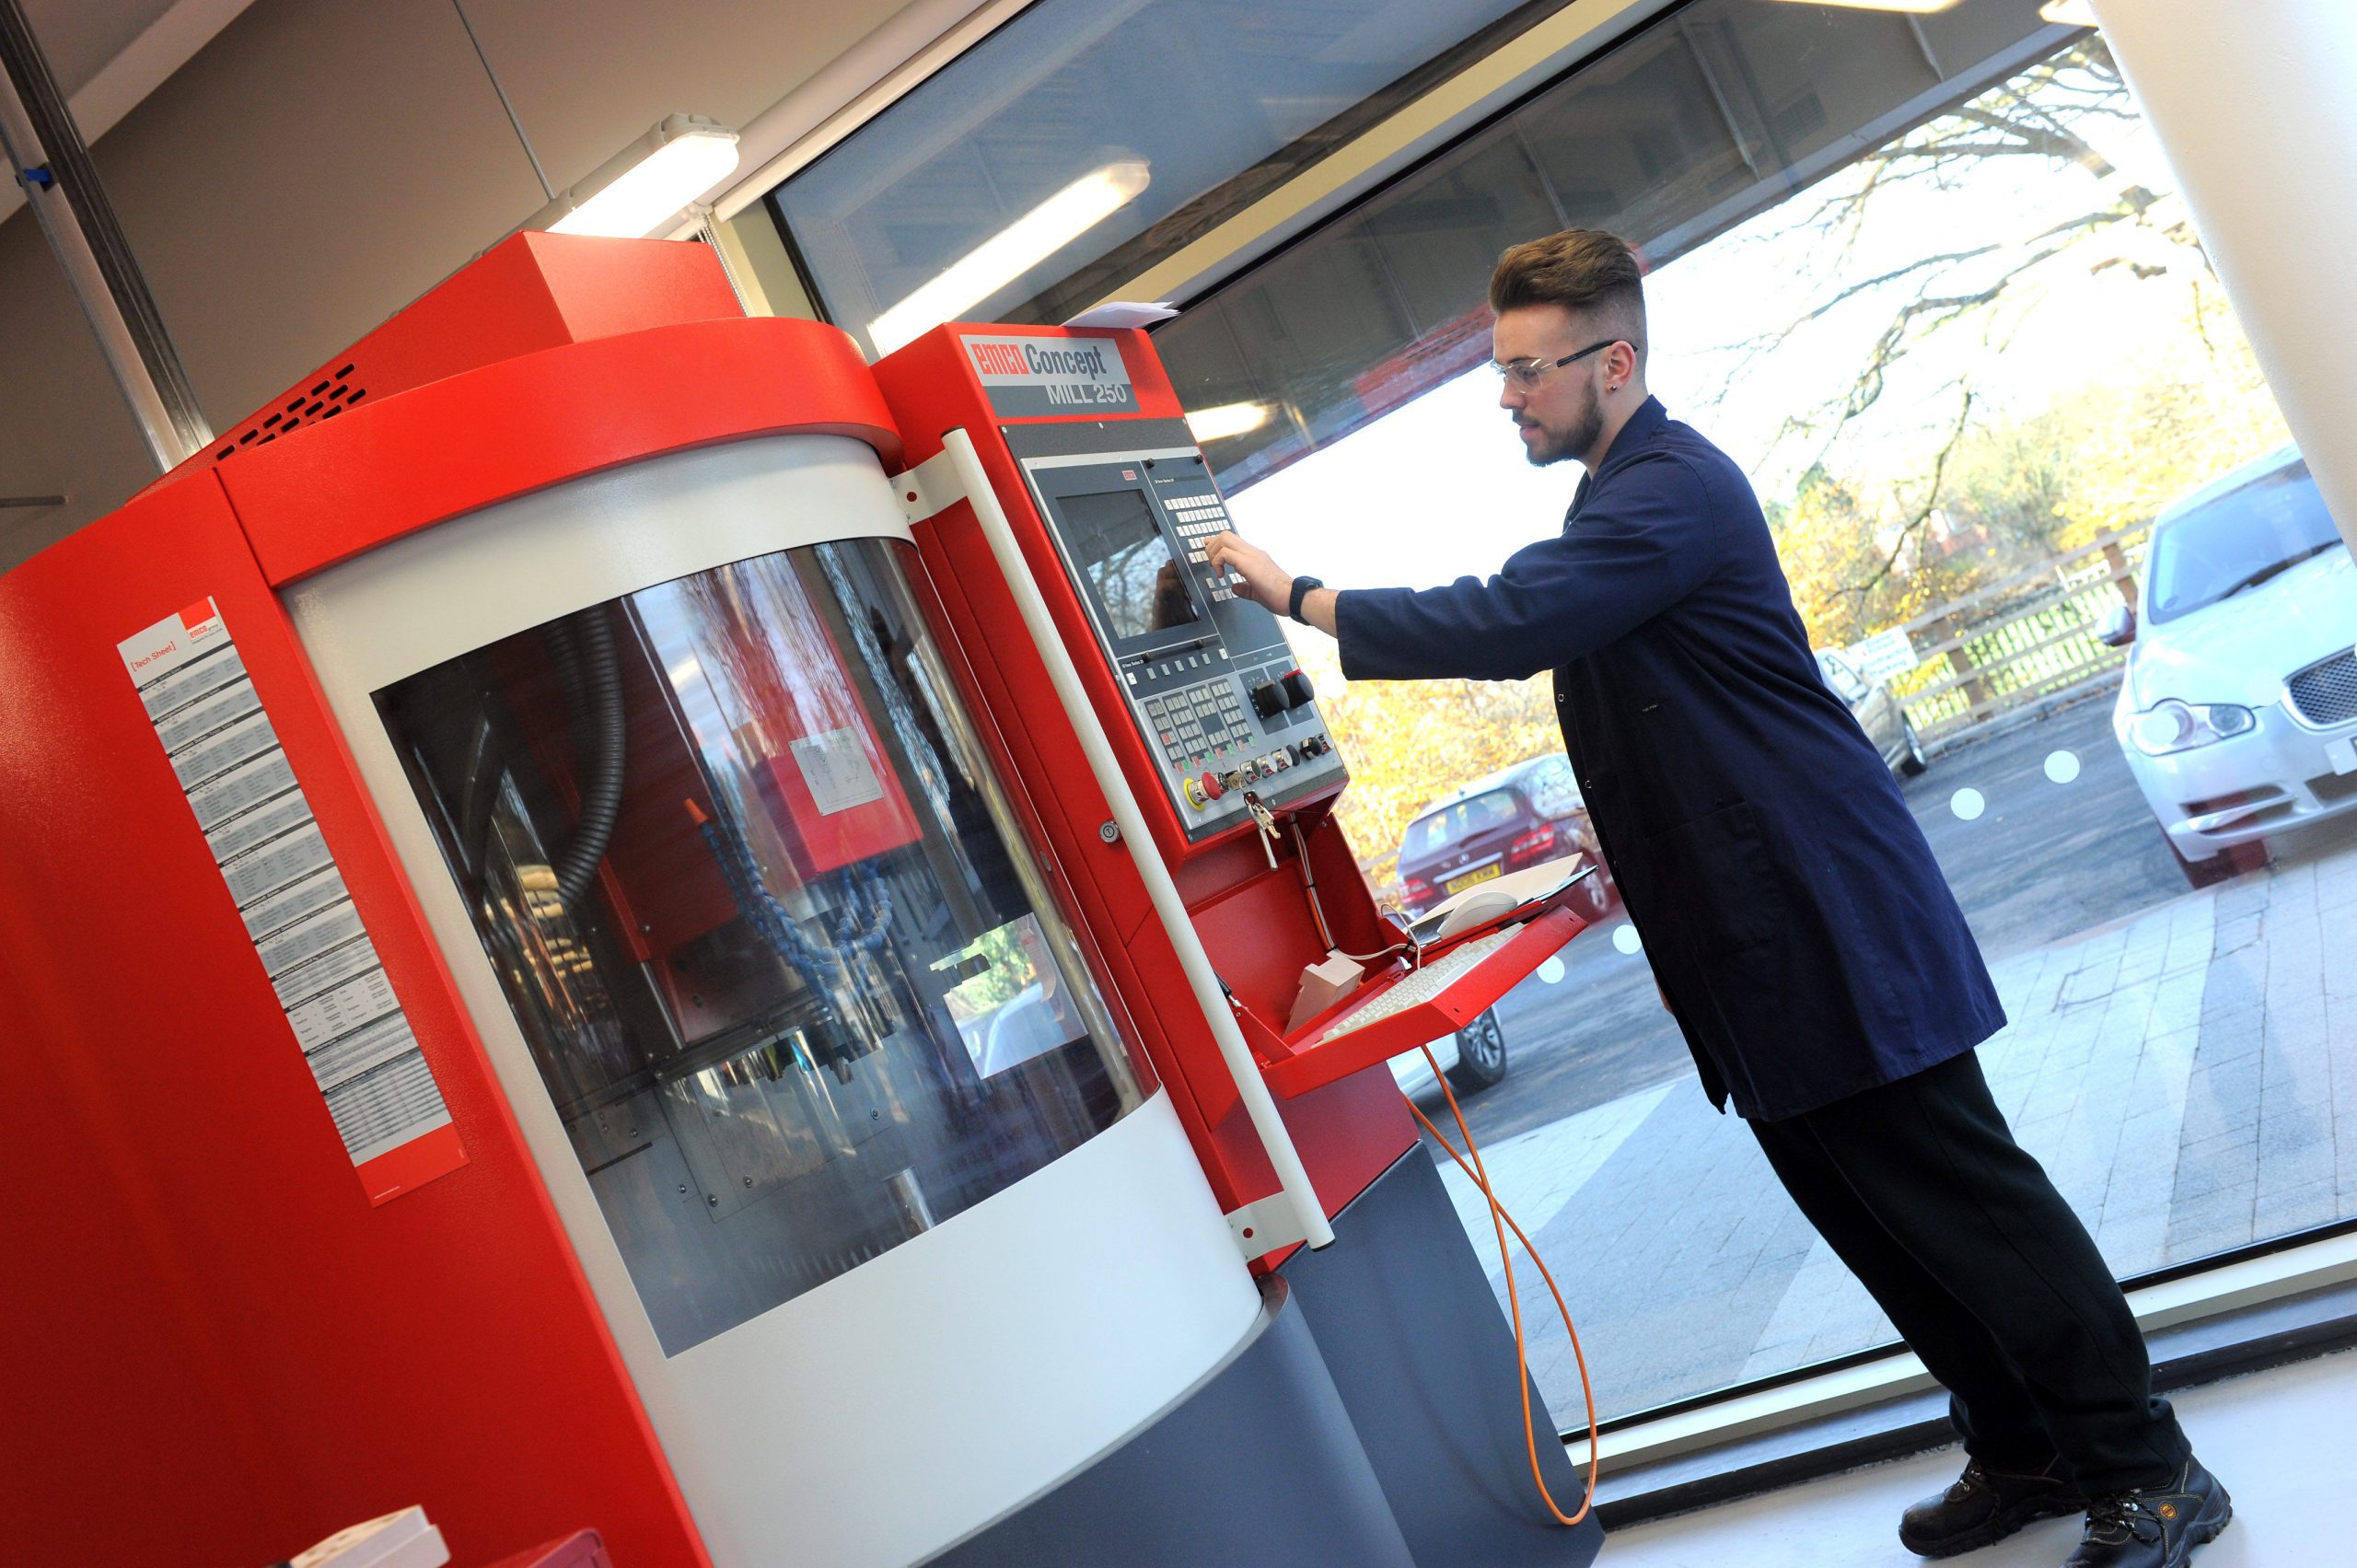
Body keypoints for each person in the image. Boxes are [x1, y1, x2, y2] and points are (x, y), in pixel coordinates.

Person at [1204, 229, 2229, 1568]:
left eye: (1523, 370)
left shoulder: (1668, 488)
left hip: (1824, 920)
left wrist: (1292, 590)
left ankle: (2150, 1468)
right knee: (1877, 1221)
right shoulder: (1620, 501)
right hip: (1756, 941)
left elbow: (1513, 621)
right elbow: (1674, 721)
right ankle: (2027, 1444)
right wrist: (1576, 861)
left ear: (1613, 360)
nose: (1505, 397)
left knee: (1973, 1209)